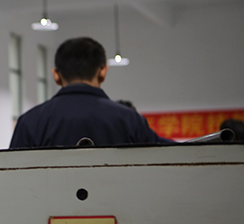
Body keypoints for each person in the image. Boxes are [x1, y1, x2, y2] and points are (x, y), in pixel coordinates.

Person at [10, 37, 166, 148]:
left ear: (56, 75)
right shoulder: (131, 120)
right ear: (103, 72)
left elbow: (14, 176)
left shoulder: (30, 122)